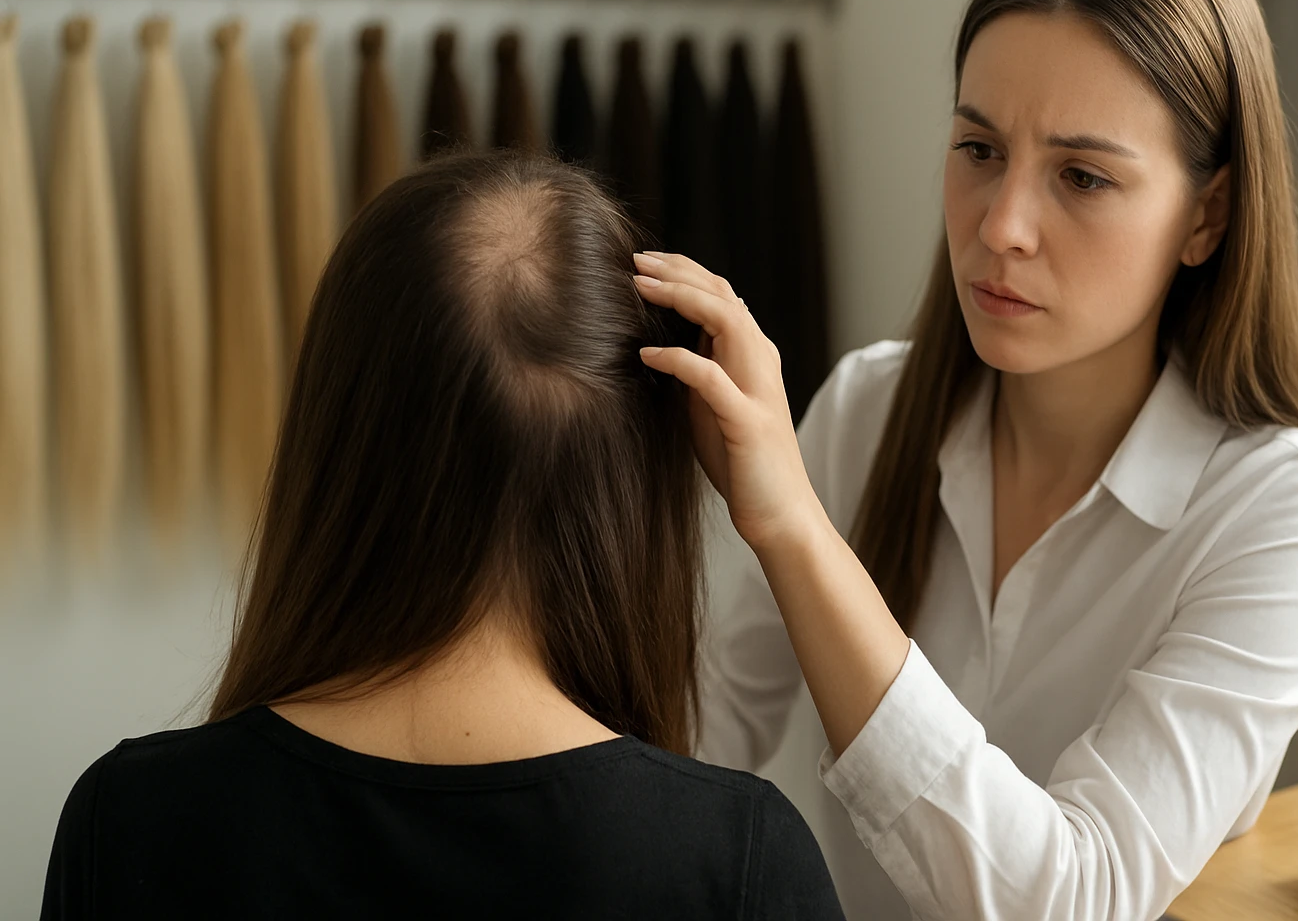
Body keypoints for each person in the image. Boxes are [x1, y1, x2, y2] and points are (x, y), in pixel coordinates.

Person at [632, 0, 1298, 921]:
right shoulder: (869, 407)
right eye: (978, 146)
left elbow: (1075, 896)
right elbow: (683, 741)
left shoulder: (1292, 505)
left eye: (1083, 176)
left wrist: (794, 530)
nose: (1002, 226)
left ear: (1208, 215)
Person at [41, 151, 844, 920]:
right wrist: (789, 522)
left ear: (338, 444)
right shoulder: (734, 862)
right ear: (636, 487)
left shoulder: (130, 822)